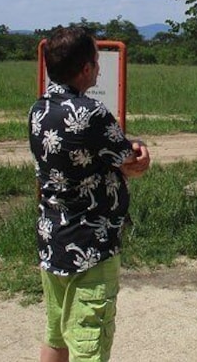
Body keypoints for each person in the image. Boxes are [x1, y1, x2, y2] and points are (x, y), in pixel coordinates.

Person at [28, 26, 150, 362]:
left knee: (56, 333)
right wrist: (142, 152)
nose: (98, 68)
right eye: (96, 62)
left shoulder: (38, 110)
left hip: (52, 235)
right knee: (89, 340)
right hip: (91, 243)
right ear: (85, 68)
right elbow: (130, 161)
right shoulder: (92, 113)